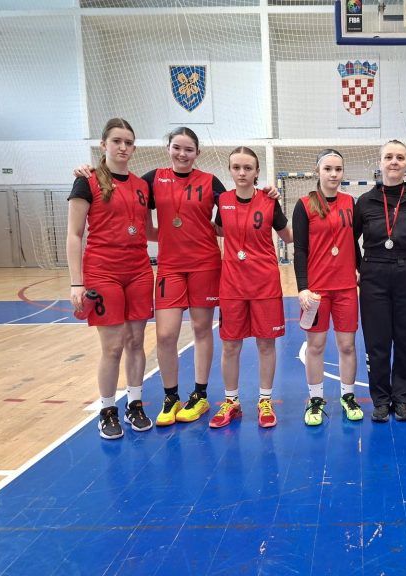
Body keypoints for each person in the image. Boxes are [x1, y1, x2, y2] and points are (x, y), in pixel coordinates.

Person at [73, 128, 280, 427]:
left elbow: (238, 203)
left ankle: (200, 395)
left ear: (197, 153)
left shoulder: (210, 182)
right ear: (168, 148)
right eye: (177, 148)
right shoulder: (151, 180)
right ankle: (171, 397)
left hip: (205, 265)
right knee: (166, 334)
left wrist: (267, 194)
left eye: (189, 149)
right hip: (170, 267)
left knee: (201, 329)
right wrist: (90, 171)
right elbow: (124, 191)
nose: (182, 154)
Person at [66, 118, 154, 440]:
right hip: (103, 271)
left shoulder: (142, 186)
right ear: (103, 144)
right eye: (117, 141)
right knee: (113, 346)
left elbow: (149, 229)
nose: (123, 147)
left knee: (136, 342)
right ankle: (107, 410)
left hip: (139, 270)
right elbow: (74, 235)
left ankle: (134, 404)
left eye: (128, 142)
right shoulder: (86, 181)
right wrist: (77, 283)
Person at [353, 139, 406, 423]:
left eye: (400, 157)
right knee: (376, 340)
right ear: (380, 162)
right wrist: (358, 267)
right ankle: (380, 400)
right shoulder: (365, 202)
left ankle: (402, 398)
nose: (394, 162)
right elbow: (349, 238)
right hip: (374, 272)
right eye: (389, 156)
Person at [209, 146, 293, 429]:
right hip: (232, 284)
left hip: (264, 283)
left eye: (248, 168)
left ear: (257, 172)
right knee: (230, 345)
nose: (242, 172)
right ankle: (231, 402)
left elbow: (288, 237)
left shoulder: (269, 201)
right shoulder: (223, 201)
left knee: (265, 343)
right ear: (230, 170)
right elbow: (219, 229)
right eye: (236, 167)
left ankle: (265, 401)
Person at [292, 149, 363, 425]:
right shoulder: (304, 205)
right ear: (317, 171)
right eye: (328, 169)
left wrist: (360, 269)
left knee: (347, 346)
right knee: (316, 345)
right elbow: (300, 250)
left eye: (338, 169)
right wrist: (302, 287)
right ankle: (315, 400)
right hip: (316, 291)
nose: (334, 174)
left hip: (345, 288)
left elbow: (353, 242)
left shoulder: (351, 203)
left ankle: (348, 396)